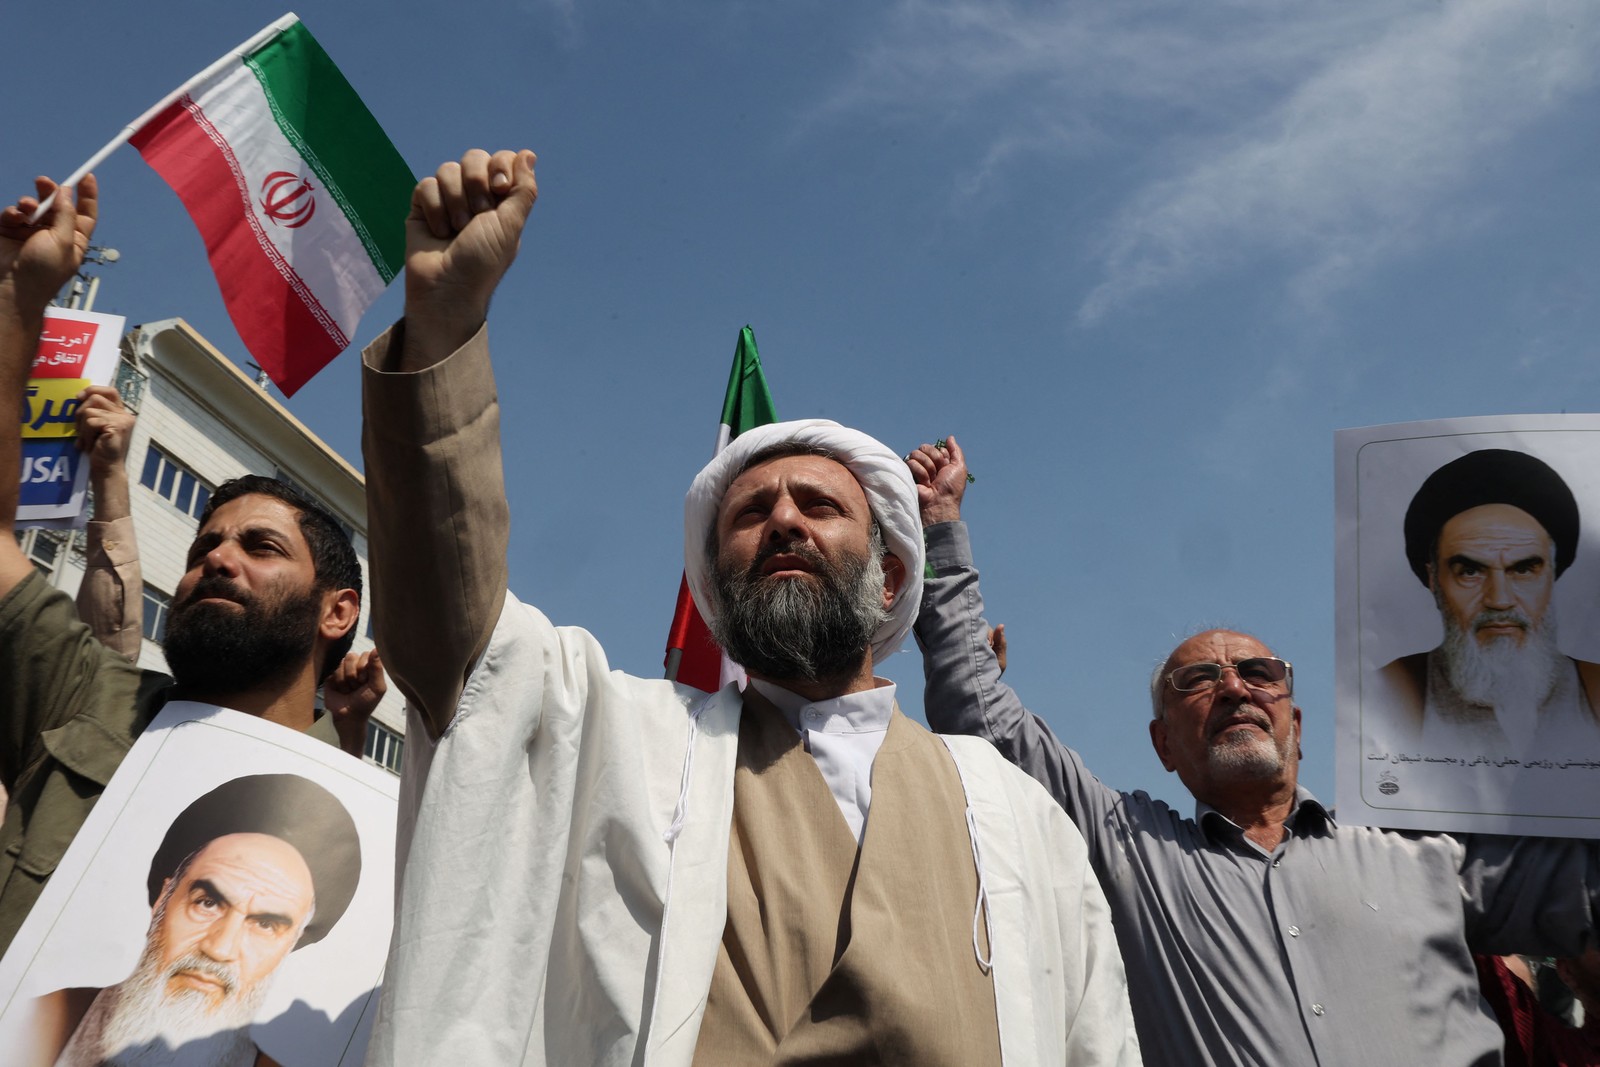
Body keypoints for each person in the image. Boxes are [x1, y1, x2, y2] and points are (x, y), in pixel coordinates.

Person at [359, 149, 1138, 1065]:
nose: (781, 521)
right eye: (749, 514)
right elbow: (461, 638)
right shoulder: (620, 736)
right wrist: (445, 326)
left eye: (818, 504)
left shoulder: (1011, 808)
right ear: (712, 590)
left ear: (891, 580)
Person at [908, 435, 1600, 1067]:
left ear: (1293, 719)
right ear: (1163, 745)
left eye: (1259, 674)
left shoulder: (1424, 851)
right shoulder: (1128, 853)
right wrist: (940, 527)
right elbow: (978, 714)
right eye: (1198, 680)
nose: (1235, 686)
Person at [0, 174, 366, 954]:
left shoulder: (366, 811)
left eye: (260, 547)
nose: (218, 560)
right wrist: (21, 302)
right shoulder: (86, 697)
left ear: (339, 611)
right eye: (204, 548)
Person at [17, 774, 361, 1067]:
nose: (219, 948)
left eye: (265, 925)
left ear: (292, 944)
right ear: (164, 899)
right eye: (208, 903)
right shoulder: (31, 1021)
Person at [1378, 448, 1600, 754]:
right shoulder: (1388, 692)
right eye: (1470, 571)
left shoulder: (1595, 688)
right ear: (1433, 579)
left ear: (1552, 575)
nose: (1499, 600)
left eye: (1523, 570)